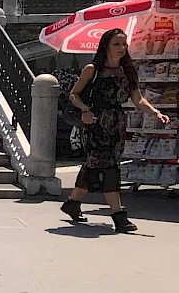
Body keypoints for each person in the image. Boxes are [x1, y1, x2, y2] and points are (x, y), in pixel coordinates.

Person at [61, 28, 172, 233]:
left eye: (124, 44)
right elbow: (74, 95)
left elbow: (138, 99)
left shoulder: (128, 70)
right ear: (106, 46)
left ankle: (72, 203)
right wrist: (85, 110)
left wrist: (155, 112)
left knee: (94, 165)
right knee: (109, 167)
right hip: (94, 123)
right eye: (116, 44)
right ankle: (119, 216)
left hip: (117, 124)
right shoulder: (92, 69)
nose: (122, 48)